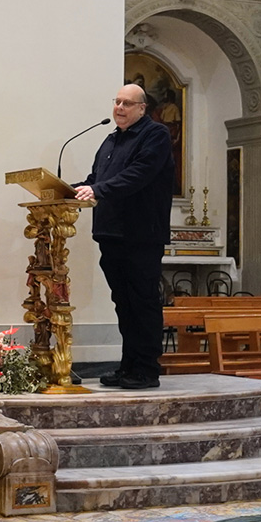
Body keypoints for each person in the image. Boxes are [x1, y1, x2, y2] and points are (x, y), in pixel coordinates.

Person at [74, 84, 177, 389]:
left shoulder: (155, 135)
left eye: (127, 103)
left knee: (142, 302)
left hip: (141, 234)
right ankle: (128, 366)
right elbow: (96, 180)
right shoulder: (110, 140)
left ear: (142, 108)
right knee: (124, 303)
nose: (119, 107)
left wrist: (97, 189)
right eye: (117, 102)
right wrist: (67, 190)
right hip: (111, 233)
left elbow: (138, 175)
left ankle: (146, 369)